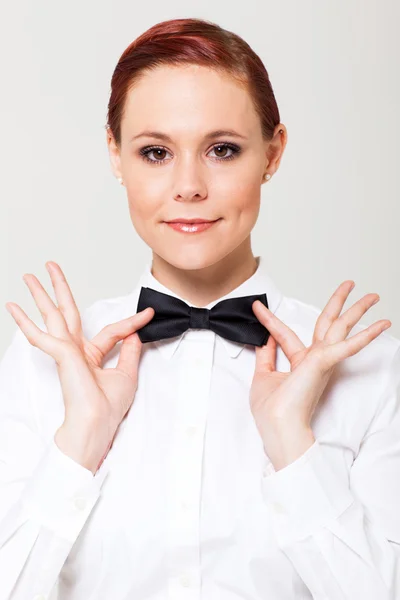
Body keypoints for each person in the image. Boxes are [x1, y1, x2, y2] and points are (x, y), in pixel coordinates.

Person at [0, 16, 399, 600]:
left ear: (273, 152)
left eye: (222, 150)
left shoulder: (370, 367)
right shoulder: (46, 362)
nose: (188, 185)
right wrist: (80, 440)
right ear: (115, 155)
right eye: (156, 152)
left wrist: (293, 446)